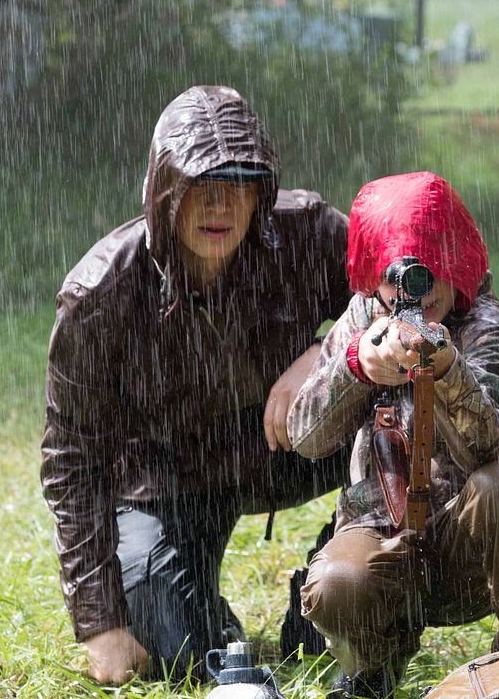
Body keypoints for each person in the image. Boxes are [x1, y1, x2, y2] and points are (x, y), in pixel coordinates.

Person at [41, 85, 351, 685]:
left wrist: (328, 347)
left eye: (238, 184)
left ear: (262, 191)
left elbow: (412, 294)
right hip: (169, 480)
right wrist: (100, 623)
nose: (220, 205)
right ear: (165, 193)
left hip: (291, 448)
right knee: (183, 648)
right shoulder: (100, 294)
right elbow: (71, 458)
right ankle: (209, 623)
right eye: (199, 184)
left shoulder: (307, 234)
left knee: (405, 376)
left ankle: (340, 587)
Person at [287, 171, 499, 699]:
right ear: (374, 275)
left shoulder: (489, 327)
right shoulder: (364, 319)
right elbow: (304, 436)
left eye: (433, 270)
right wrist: (357, 368)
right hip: (382, 537)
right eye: (401, 275)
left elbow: (497, 450)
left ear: (456, 261)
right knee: (338, 585)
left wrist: (446, 370)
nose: (420, 290)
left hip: (467, 550)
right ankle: (374, 665)